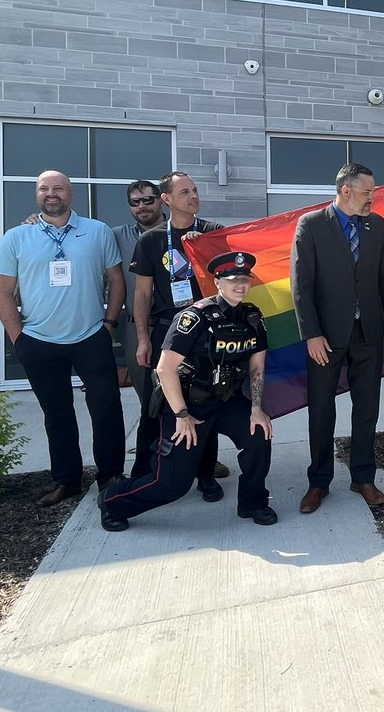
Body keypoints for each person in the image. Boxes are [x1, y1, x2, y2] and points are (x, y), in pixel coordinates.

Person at [98, 252, 276, 532]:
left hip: (227, 401)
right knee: (172, 485)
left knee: (258, 435)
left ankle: (253, 502)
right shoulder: (194, 318)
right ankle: (112, 502)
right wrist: (181, 415)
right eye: (232, 279)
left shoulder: (252, 318)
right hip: (188, 405)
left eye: (244, 279)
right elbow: (164, 369)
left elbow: (257, 367)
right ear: (217, 282)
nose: (240, 285)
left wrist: (256, 409)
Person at [0, 170, 127, 507]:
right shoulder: (16, 237)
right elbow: (1, 290)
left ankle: (110, 475)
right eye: (44, 189)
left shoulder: (96, 232)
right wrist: (18, 336)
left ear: (71, 194)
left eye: (58, 189)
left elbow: (116, 280)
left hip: (90, 336)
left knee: (107, 408)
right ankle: (66, 481)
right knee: (57, 414)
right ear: (37, 195)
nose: (51, 194)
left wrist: (109, 323)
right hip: (38, 340)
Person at [291, 162, 384, 513]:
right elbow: (301, 285)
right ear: (346, 190)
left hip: (368, 333)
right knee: (322, 411)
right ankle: (318, 482)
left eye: (373, 191)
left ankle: (363, 477)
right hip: (325, 338)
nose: (373, 197)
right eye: (367, 191)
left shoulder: (376, 225)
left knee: (367, 407)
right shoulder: (311, 225)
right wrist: (311, 334)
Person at [129, 171, 229, 496]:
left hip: (205, 334)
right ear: (167, 200)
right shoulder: (151, 240)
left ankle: (206, 475)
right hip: (166, 334)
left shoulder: (213, 233)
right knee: (156, 405)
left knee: (205, 401)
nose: (194, 196)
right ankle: (145, 471)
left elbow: (230, 283)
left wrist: (205, 252)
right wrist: (143, 338)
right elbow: (142, 294)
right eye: (185, 191)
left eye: (196, 190)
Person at [111, 179, 166, 405]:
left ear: (161, 201)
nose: (141, 206)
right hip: (136, 327)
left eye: (147, 200)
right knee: (146, 394)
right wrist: (37, 223)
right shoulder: (116, 236)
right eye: (135, 202)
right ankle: (151, 441)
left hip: (175, 322)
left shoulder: (180, 231)